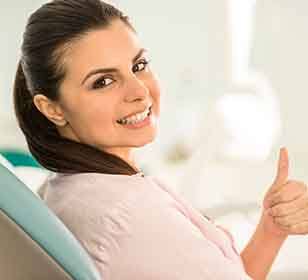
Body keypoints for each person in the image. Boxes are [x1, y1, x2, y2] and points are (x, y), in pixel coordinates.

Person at [13, 0, 308, 279]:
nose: (139, 90)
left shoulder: (66, 189)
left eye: (138, 66)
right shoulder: (129, 212)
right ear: (52, 108)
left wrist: (271, 230)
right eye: (103, 81)